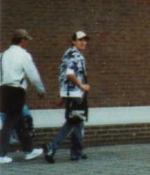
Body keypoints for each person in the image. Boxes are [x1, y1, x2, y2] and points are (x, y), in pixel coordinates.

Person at [44, 30, 92, 163]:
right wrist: (82, 86)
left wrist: (63, 96)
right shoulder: (75, 55)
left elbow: (63, 76)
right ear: (73, 41)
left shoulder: (68, 53)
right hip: (76, 93)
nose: (83, 42)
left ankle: (77, 152)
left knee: (77, 121)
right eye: (80, 40)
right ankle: (52, 146)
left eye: (85, 40)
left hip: (71, 93)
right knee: (73, 122)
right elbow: (70, 74)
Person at [0, 28, 46, 162]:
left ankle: (29, 150)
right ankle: (1, 154)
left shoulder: (3, 55)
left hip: (4, 90)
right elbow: (33, 75)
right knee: (10, 121)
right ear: (22, 40)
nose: (27, 42)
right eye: (26, 40)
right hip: (17, 90)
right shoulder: (24, 55)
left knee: (19, 122)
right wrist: (40, 90)